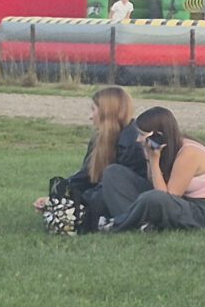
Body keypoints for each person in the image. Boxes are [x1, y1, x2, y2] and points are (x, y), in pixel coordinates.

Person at [38, 86, 149, 232]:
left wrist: (77, 201)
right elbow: (86, 176)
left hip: (132, 199)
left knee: (92, 203)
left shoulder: (133, 143)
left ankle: (128, 222)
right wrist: (58, 196)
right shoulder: (100, 140)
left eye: (93, 110)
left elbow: (115, 187)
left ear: (107, 112)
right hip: (108, 194)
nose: (90, 117)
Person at [106, 107, 205, 231]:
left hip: (203, 213)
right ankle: (137, 224)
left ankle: (120, 223)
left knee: (153, 198)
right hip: (180, 203)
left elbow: (167, 196)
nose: (138, 139)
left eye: (142, 135)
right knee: (113, 173)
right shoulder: (167, 148)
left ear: (158, 136)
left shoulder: (189, 153)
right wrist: (149, 159)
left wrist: (154, 161)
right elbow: (154, 184)